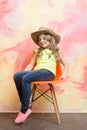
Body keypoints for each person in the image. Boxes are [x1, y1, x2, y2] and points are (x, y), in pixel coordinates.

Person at [13, 27, 68, 124]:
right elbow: (31, 64)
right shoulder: (37, 51)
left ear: (50, 39)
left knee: (26, 78)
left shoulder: (56, 51)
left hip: (48, 73)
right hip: (37, 72)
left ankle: (24, 109)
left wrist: (64, 74)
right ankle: (27, 104)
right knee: (17, 76)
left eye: (44, 39)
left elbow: (66, 64)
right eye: (40, 40)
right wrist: (24, 73)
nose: (41, 41)